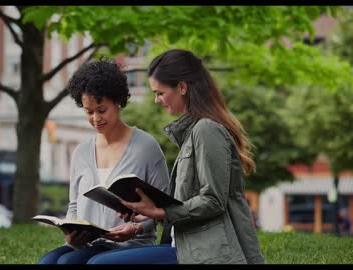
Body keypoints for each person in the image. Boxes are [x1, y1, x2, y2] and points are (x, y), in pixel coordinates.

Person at [87, 49, 265, 264]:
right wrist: (149, 212)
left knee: (100, 263)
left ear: (181, 87)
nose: (156, 100)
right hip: (183, 244)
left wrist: (161, 211)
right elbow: (189, 201)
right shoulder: (194, 131)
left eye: (160, 93)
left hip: (205, 252)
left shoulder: (206, 130)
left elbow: (213, 200)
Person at [37, 57, 170, 264]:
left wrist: (136, 228)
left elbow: (165, 212)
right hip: (89, 244)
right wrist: (71, 234)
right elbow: (74, 207)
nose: (95, 119)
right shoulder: (81, 152)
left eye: (101, 110)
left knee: (67, 263)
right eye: (88, 112)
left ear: (117, 102)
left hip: (131, 245)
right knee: (47, 262)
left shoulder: (146, 147)